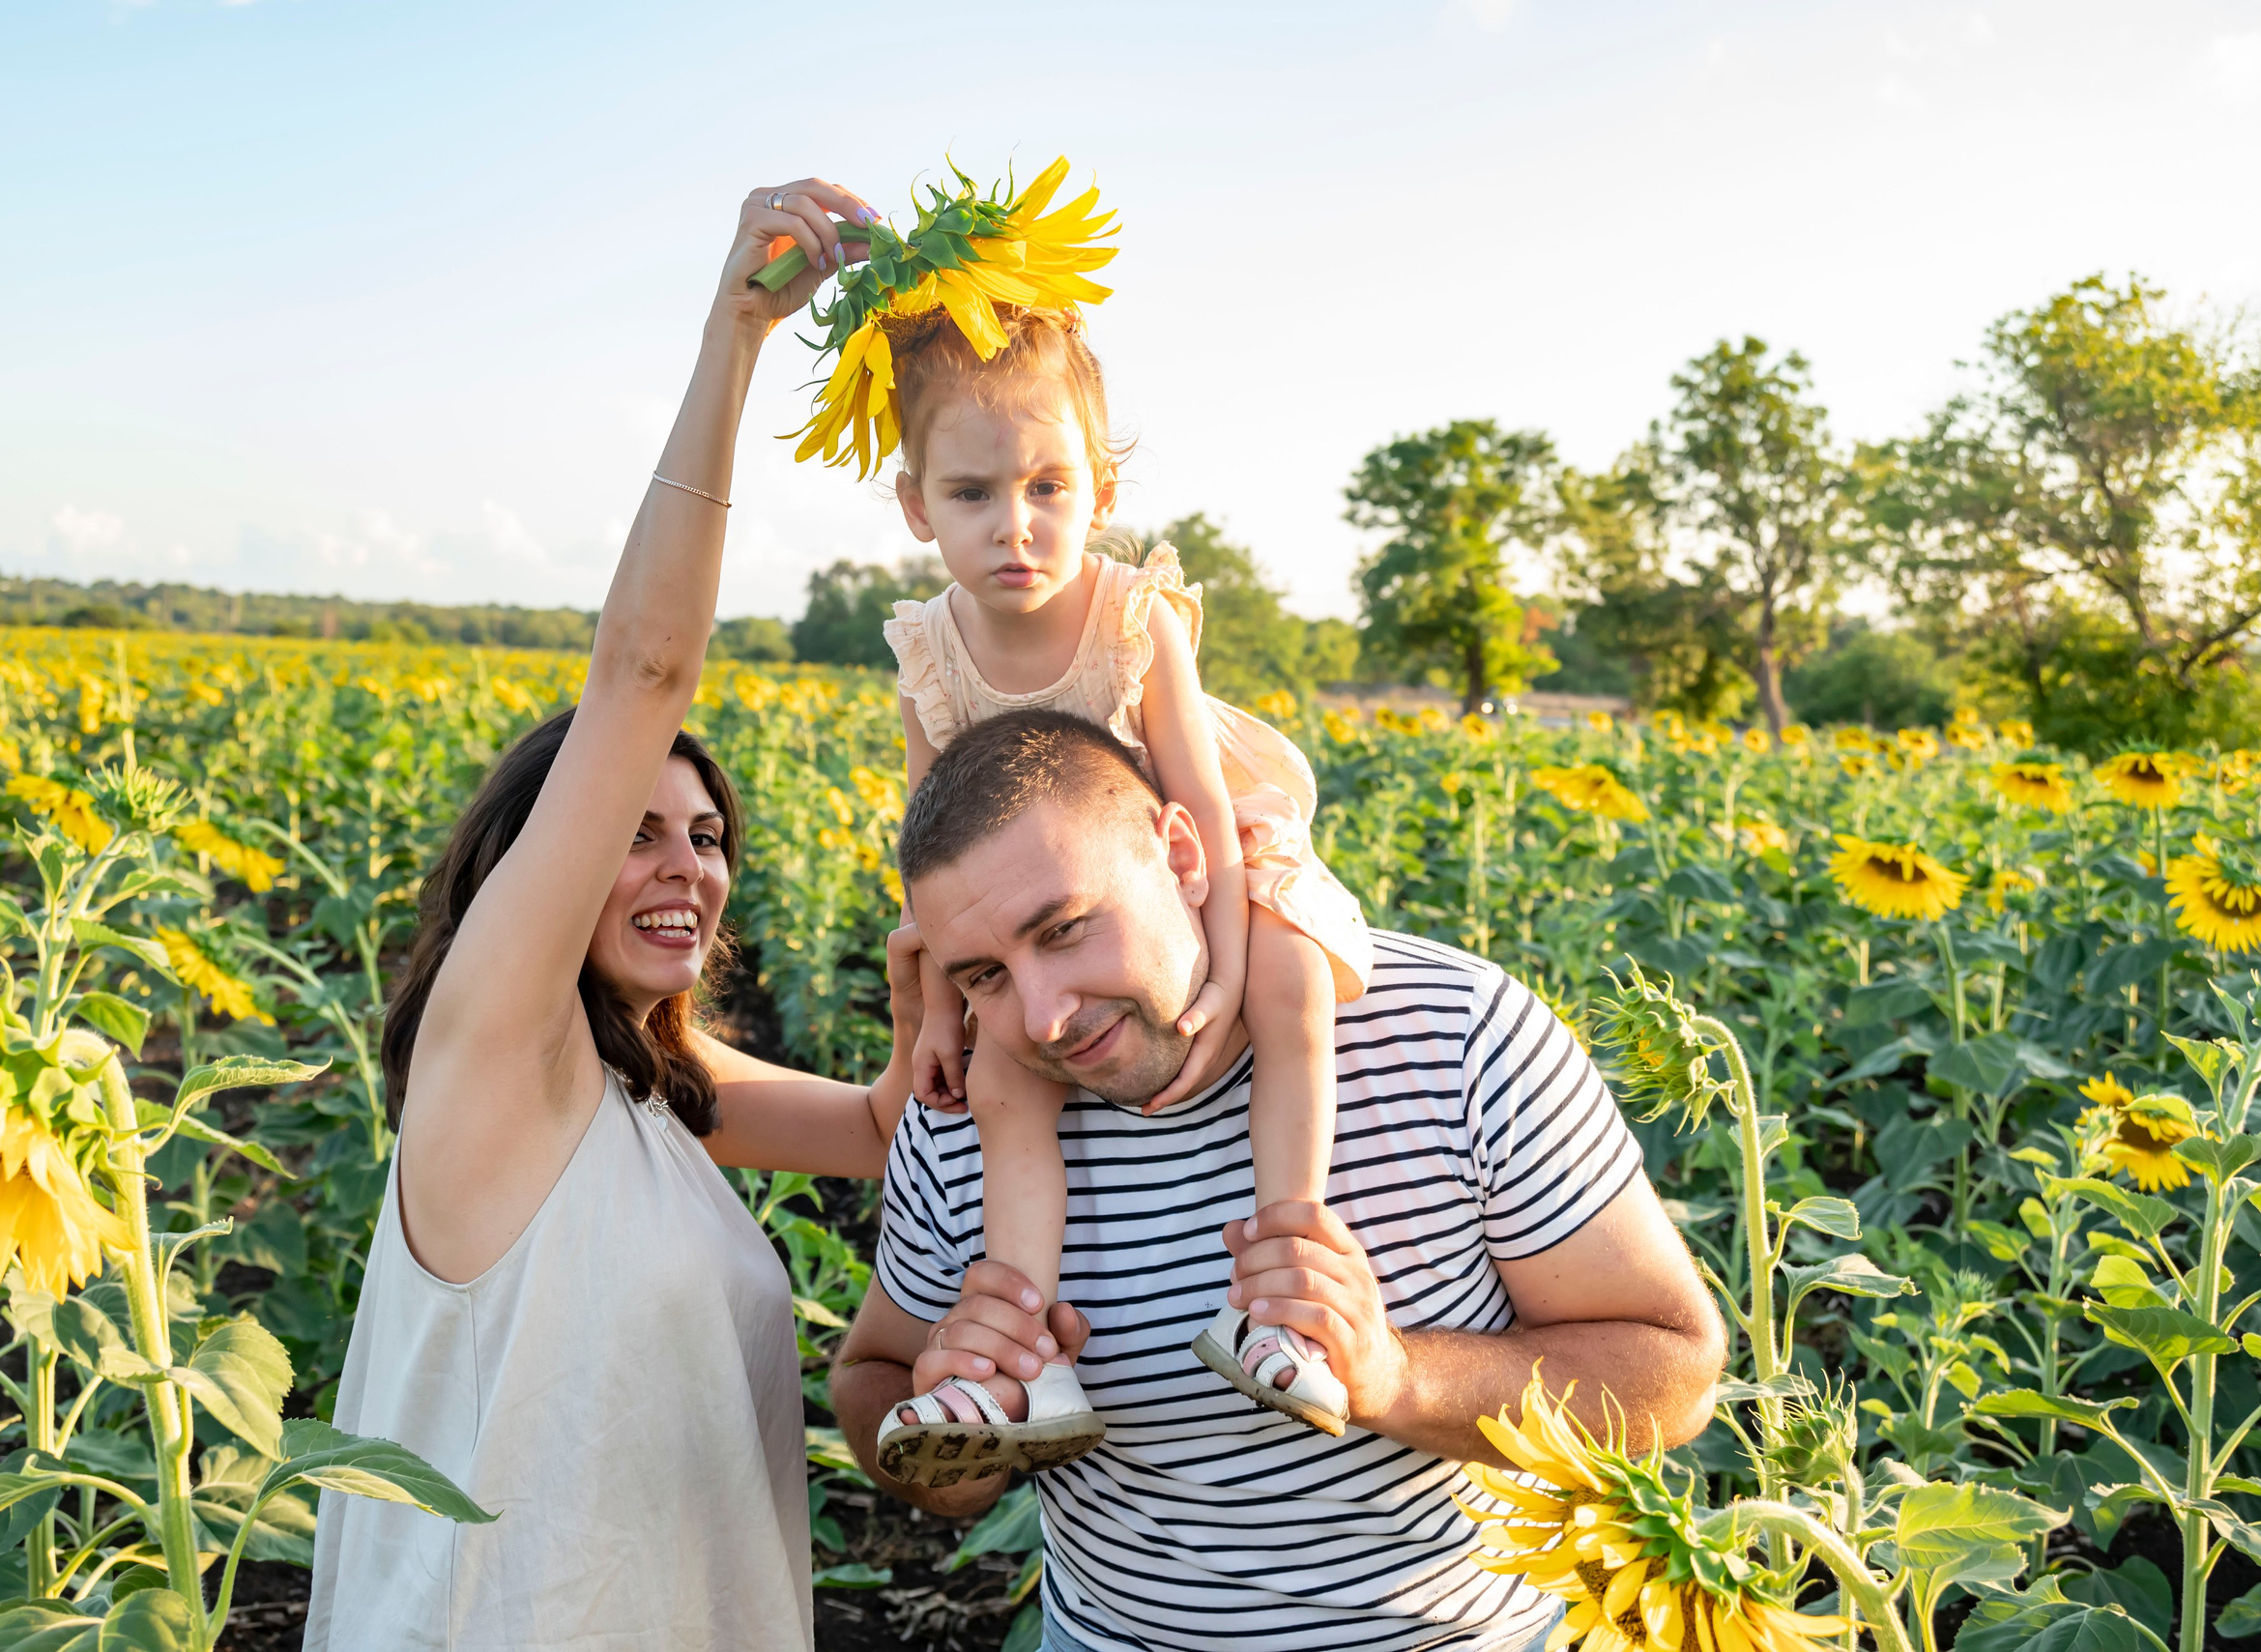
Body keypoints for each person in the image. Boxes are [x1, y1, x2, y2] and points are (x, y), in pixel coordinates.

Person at [304, 176, 913, 1652]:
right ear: (536, 869)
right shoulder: (498, 1057)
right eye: (632, 833)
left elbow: (894, 1130)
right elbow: (644, 667)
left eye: (707, 840)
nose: (685, 868)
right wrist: (737, 335)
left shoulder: (664, 1101)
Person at [831, 709, 1725, 1652]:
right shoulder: (969, 1117)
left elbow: (1673, 1370)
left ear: (1181, 852)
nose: (1043, 1017)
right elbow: (869, 1378)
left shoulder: (1456, 1036)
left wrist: (1396, 1376)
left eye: (1063, 930)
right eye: (984, 977)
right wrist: (963, 1451)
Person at [774, 159, 1375, 1473]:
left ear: (1099, 484)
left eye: (1050, 487)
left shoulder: (1133, 612)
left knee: (1289, 989)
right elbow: (936, 856)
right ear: (916, 504)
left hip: (1194, 858)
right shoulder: (929, 648)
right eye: (975, 495)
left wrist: (1215, 961)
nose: (1017, 525)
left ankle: (1288, 1289)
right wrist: (944, 1007)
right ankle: (1022, 1348)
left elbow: (1204, 811)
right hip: (1039, 910)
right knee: (1003, 1082)